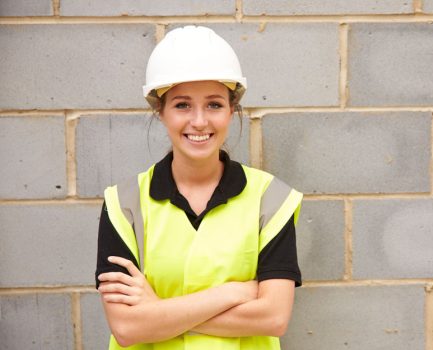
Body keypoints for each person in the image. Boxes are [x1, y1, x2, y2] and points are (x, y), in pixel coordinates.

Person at [95, 25, 303, 350]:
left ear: (232, 110)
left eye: (214, 104)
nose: (200, 121)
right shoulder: (123, 205)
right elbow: (126, 327)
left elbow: (273, 317)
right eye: (181, 105)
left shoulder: (271, 200)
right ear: (160, 112)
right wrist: (231, 293)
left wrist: (157, 313)